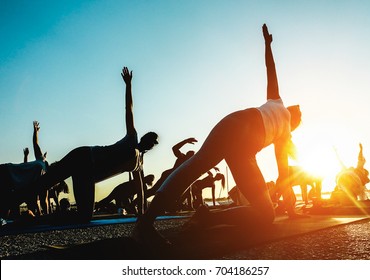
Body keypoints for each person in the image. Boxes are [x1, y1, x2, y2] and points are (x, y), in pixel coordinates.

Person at [132, 24, 302, 248]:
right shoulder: (282, 121)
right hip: (238, 132)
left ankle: (206, 217)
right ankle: (146, 224)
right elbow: (283, 175)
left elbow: (271, 68)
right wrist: (289, 200)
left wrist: (267, 45)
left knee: (263, 213)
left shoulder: (277, 105)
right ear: (294, 116)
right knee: (197, 168)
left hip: (239, 138)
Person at [11, 67, 158, 222]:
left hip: (88, 173)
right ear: (144, 139)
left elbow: (140, 188)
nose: (150, 145)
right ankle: (8, 203)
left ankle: (29, 219)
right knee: (43, 183)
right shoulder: (132, 138)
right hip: (84, 156)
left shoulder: (138, 164)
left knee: (85, 216)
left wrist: (143, 213)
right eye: (149, 140)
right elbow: (129, 110)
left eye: (152, 144)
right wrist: (128, 85)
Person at [0, 121, 49, 220]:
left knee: (5, 204)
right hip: (7, 171)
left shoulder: (45, 179)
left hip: (11, 182)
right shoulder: (42, 161)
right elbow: (35, 143)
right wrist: (35, 131)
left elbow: (44, 200)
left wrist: (46, 217)